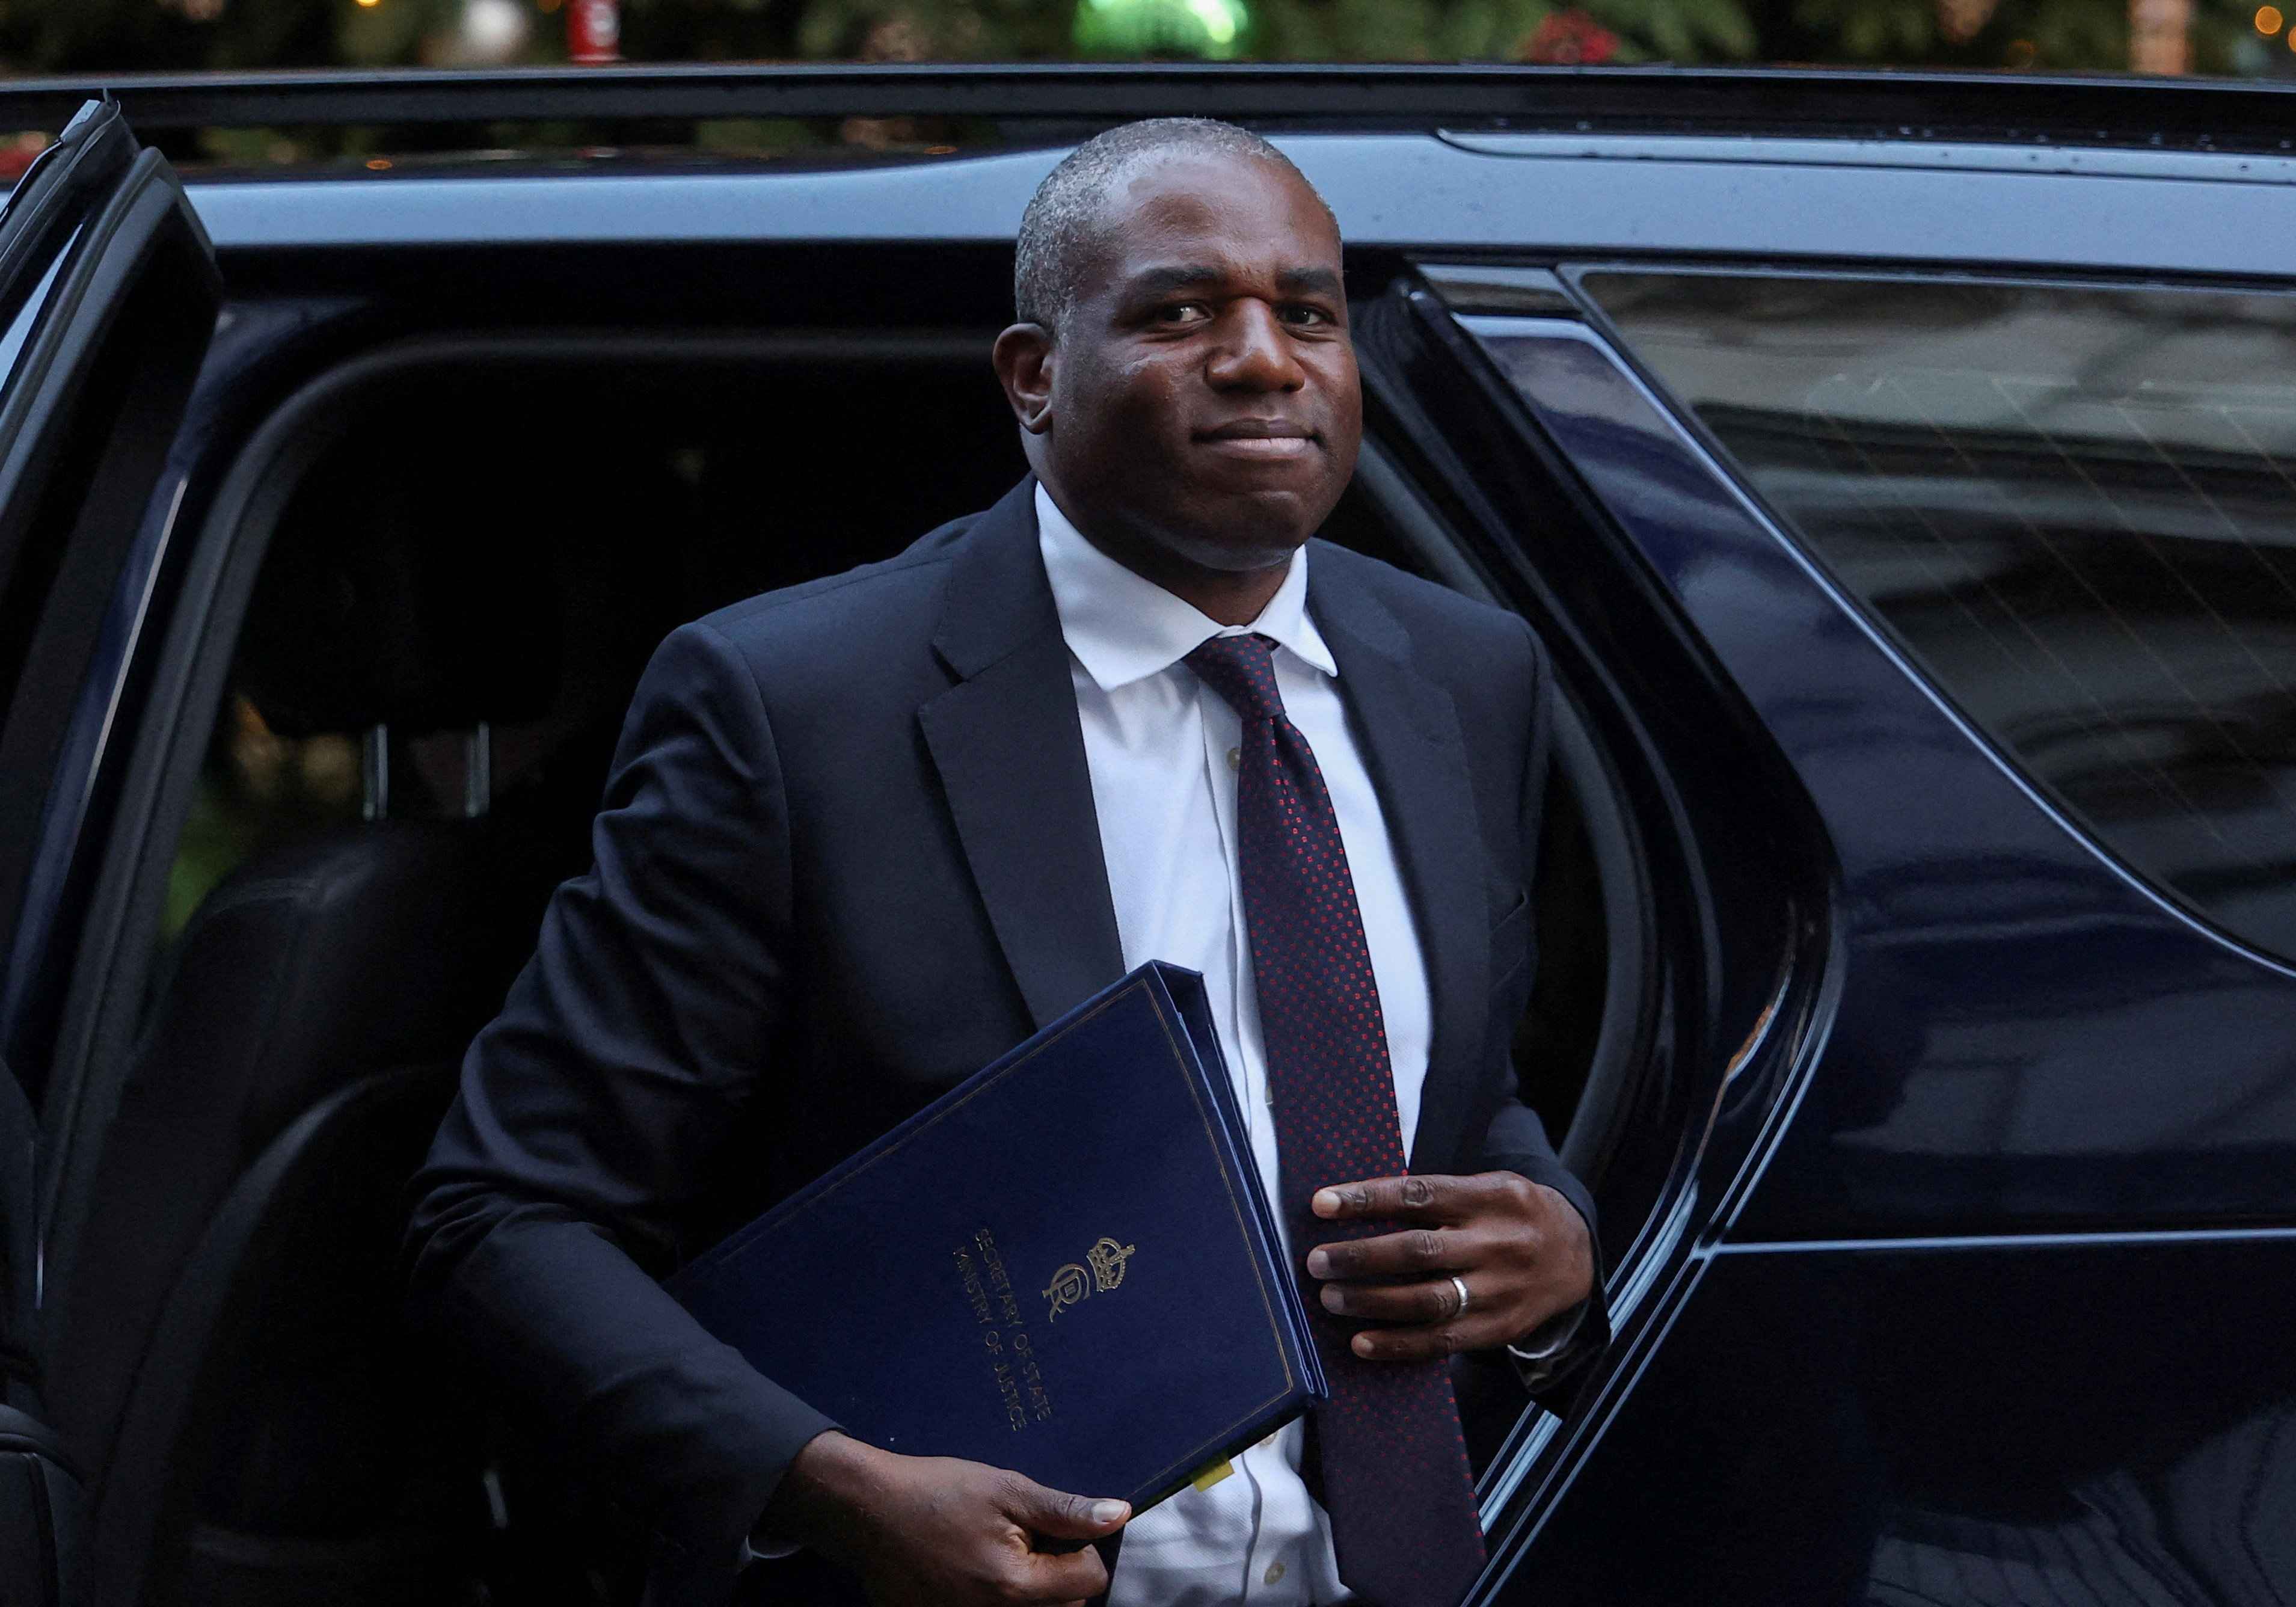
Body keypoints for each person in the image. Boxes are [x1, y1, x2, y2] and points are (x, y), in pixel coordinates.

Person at [405, 117, 1601, 1607]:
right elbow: (504, 1223)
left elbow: (1455, 1085)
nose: (1261, 359)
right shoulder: (794, 710)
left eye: (1305, 313)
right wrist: (823, 1486)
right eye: (1182, 312)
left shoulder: (1465, 672)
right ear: (1033, 376)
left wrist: (1552, 1248)